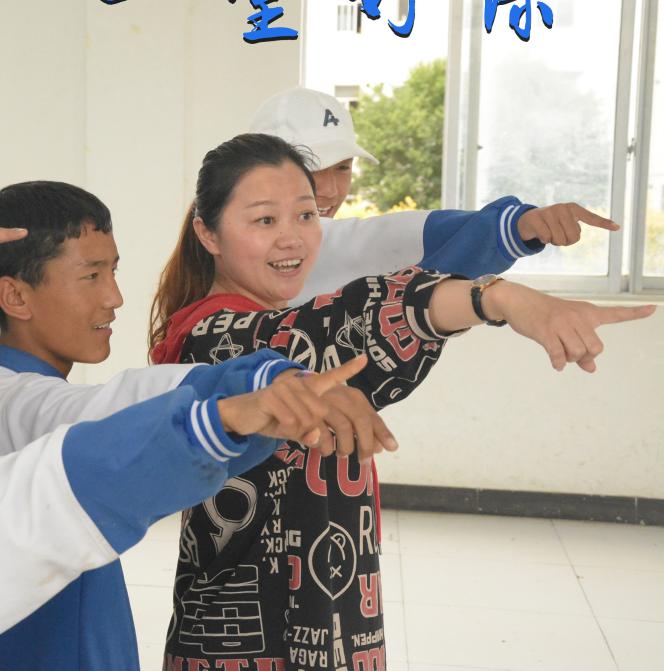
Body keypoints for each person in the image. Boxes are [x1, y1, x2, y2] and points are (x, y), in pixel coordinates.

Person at [150, 133, 654, 671]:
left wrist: (512, 241)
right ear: (208, 233)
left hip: (330, 621)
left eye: (306, 215)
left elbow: (354, 311)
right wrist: (497, 298)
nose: (293, 238)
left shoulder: (281, 323)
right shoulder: (211, 339)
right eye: (265, 220)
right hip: (245, 647)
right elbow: (341, 322)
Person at [0, 189, 392, 668]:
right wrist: (238, 401)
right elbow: (108, 413)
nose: (114, 297)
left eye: (113, 271)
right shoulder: (16, 401)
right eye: (91, 275)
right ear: (15, 295)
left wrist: (264, 383)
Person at [250, 86, 621, 302]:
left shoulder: (312, 248)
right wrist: (513, 227)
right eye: (311, 167)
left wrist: (517, 226)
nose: (330, 189)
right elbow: (374, 242)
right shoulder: (249, 245)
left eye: (343, 168)